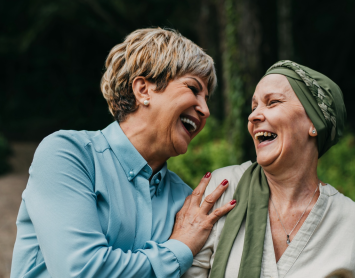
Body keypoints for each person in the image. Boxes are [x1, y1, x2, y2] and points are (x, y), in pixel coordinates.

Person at [10, 28, 236, 278]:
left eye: (207, 98)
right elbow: (81, 272)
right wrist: (179, 249)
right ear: (143, 90)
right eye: (193, 89)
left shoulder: (186, 202)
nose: (205, 110)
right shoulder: (68, 155)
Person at [183, 60, 355, 278]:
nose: (253, 116)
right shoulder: (222, 189)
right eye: (254, 107)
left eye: (272, 102)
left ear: (315, 122)